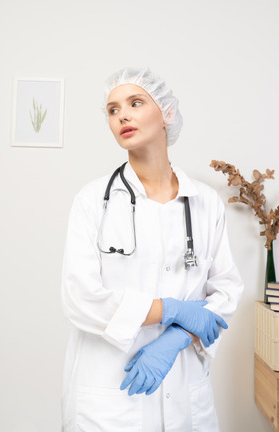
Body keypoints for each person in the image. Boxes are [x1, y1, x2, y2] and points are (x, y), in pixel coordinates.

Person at [61, 67, 243, 432]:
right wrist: (171, 311)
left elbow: (225, 291)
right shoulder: (93, 201)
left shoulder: (205, 203)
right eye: (113, 110)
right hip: (111, 393)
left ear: (167, 114)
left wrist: (177, 337)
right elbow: (79, 297)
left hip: (186, 392)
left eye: (135, 102)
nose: (122, 115)